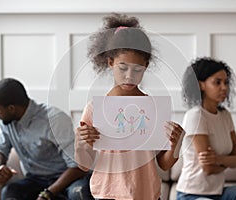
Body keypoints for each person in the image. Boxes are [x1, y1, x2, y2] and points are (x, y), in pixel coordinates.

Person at [75, 13, 184, 200]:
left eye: (137, 69)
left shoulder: (153, 108)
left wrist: (176, 144)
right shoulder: (95, 109)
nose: (129, 76)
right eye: (123, 68)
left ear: (146, 66)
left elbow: (164, 164)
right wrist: (80, 143)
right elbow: (84, 165)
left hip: (147, 194)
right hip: (108, 194)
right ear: (110, 63)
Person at [177, 57, 236, 200]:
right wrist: (228, 161)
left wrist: (218, 159)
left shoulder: (225, 116)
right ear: (201, 85)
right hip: (191, 194)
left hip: (218, 193)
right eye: (217, 82)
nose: (224, 87)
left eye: (226, 82)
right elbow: (208, 168)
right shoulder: (196, 116)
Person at [0, 78, 94, 200]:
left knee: (78, 194)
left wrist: (48, 194)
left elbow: (78, 166)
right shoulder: (7, 123)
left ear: (11, 108)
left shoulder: (53, 120)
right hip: (35, 180)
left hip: (67, 179)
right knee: (10, 192)